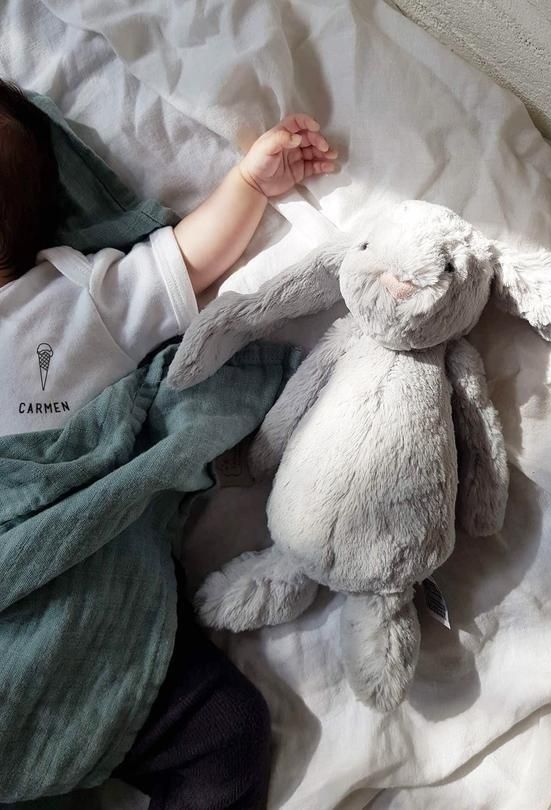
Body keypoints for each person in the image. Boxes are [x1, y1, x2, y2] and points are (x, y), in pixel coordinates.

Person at [0, 78, 337, 808]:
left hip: (88, 615)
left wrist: (249, 182)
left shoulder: (76, 295)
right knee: (224, 735)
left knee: (225, 734)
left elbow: (186, 261)